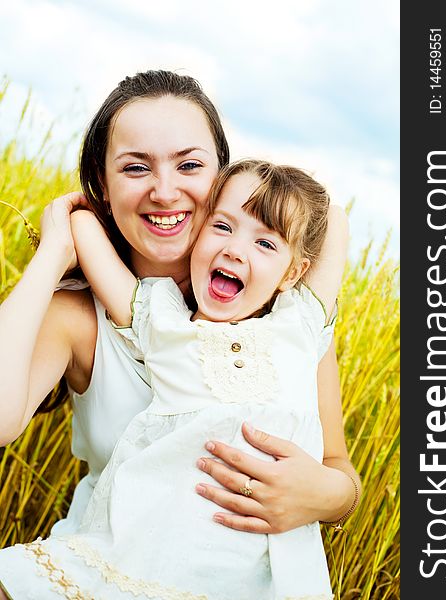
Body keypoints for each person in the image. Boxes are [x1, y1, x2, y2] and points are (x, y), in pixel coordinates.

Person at [0, 71, 359, 599]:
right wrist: (55, 251)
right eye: (135, 167)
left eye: (189, 165)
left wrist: (321, 496)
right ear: (101, 185)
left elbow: (339, 469)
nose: (164, 191)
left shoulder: (286, 328)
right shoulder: (86, 317)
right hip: (107, 567)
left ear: (220, 178)